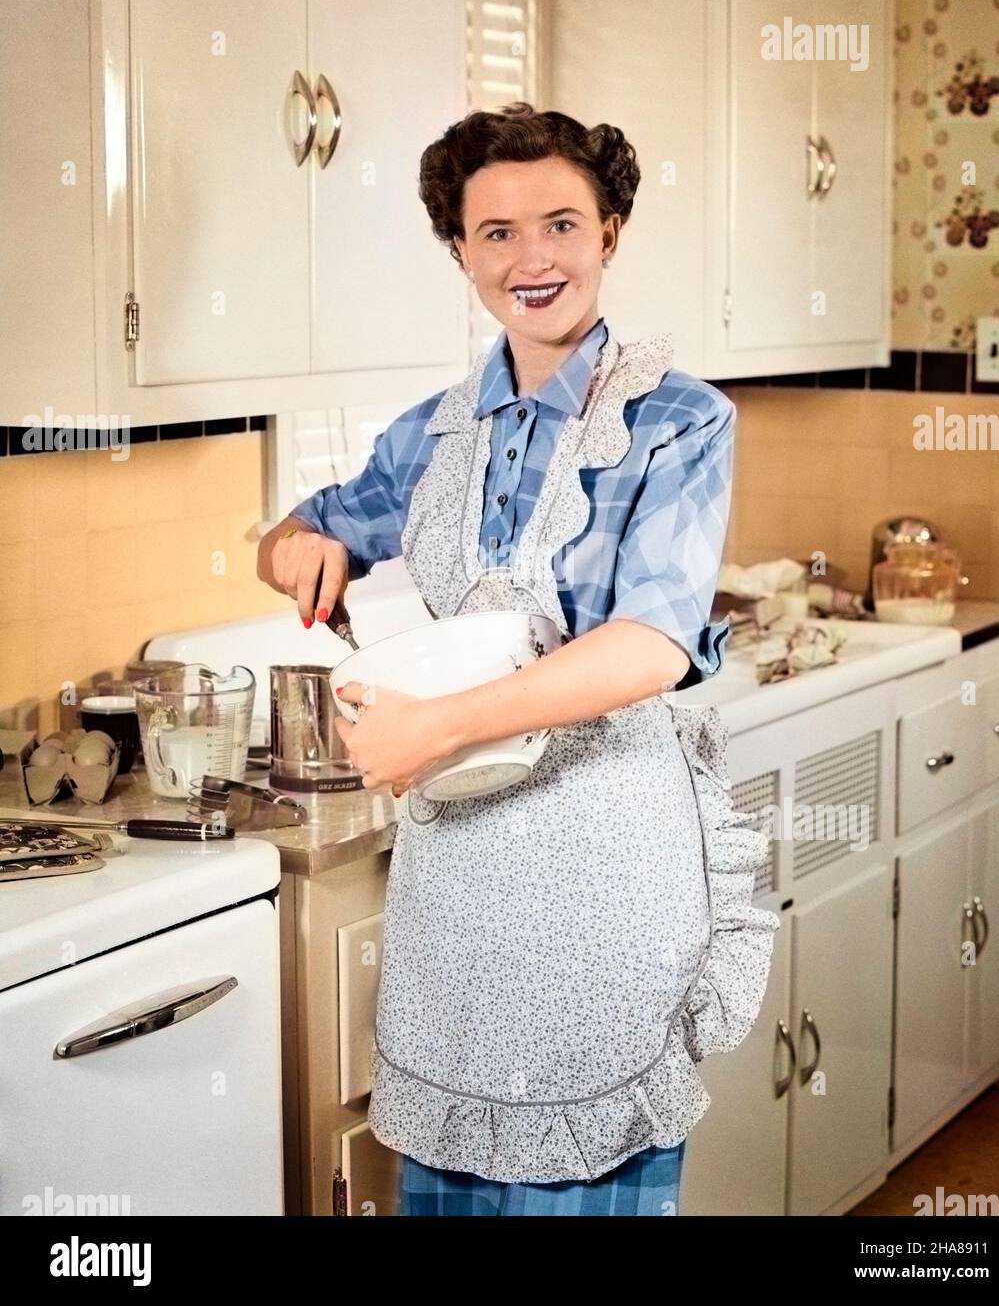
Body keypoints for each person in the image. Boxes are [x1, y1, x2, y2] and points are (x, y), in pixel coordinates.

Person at [256, 102, 780, 1217]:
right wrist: (298, 547)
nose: (531, 258)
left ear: (610, 232)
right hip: (462, 876)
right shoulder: (432, 432)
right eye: (495, 233)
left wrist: (438, 723)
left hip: (606, 861)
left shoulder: (678, 422)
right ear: (460, 252)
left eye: (560, 224)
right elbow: (303, 528)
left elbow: (647, 647)